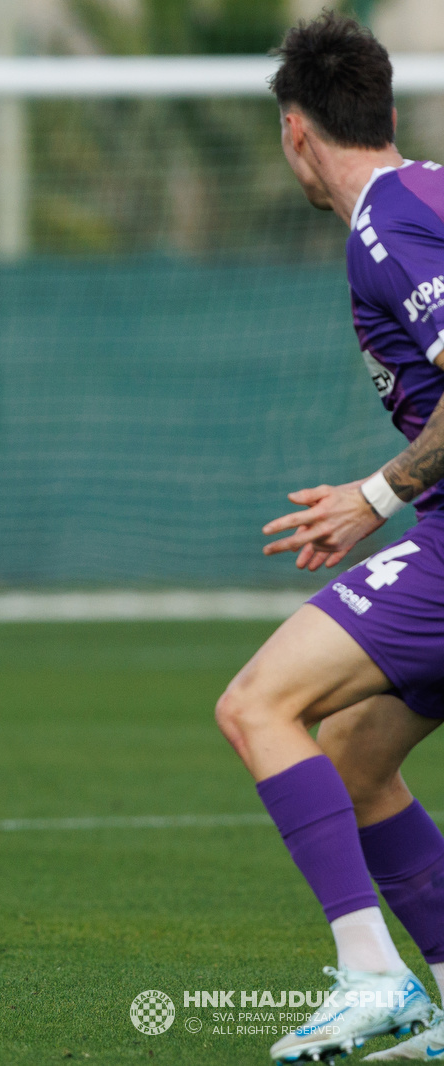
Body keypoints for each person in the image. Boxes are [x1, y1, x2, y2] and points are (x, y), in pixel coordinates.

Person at [214, 13, 444, 1063]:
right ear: (385, 112)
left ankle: (369, 975)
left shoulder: (387, 226)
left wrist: (374, 493)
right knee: (354, 759)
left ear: (294, 134)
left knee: (258, 704)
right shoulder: (427, 194)